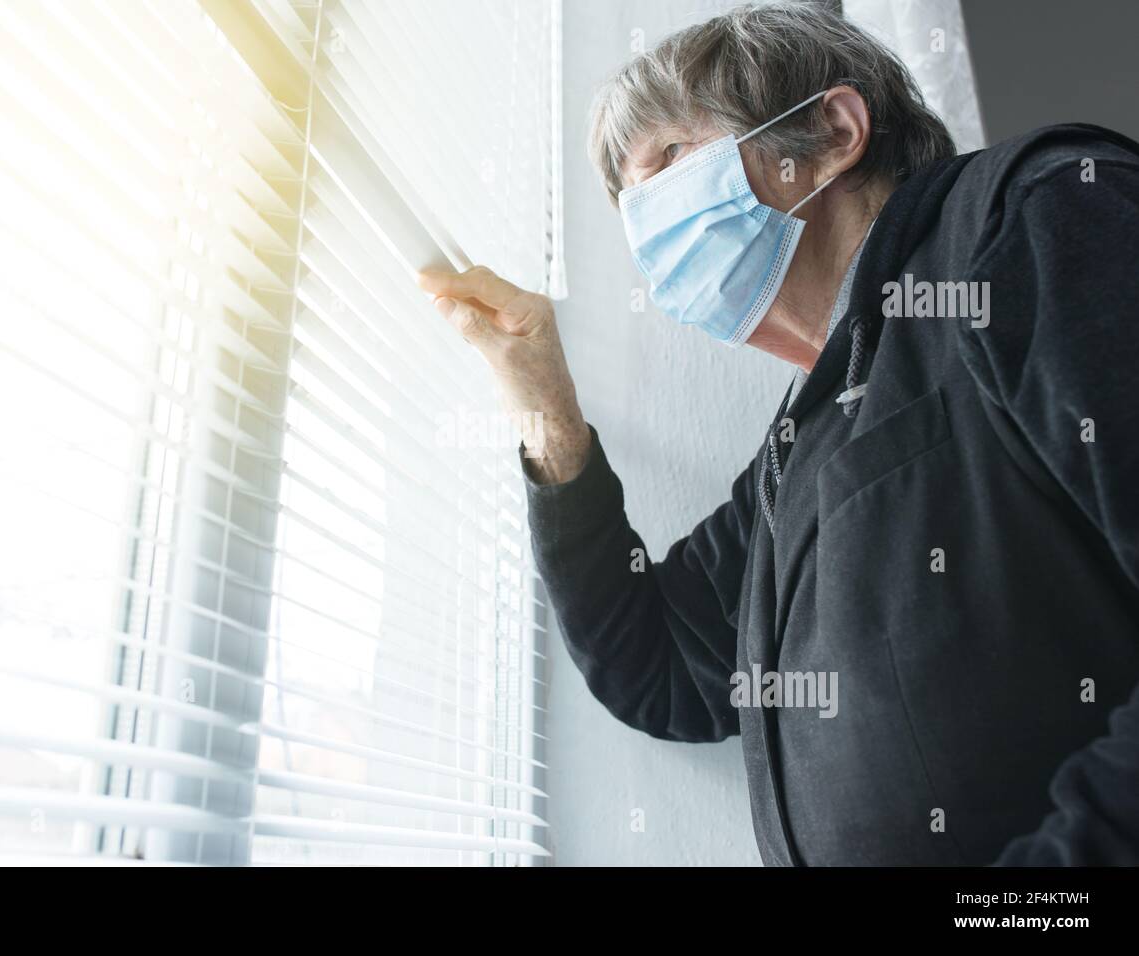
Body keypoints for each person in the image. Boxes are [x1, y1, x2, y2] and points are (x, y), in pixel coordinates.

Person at [418, 2, 1139, 865]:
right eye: (629, 199)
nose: (646, 219)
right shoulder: (796, 449)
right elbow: (661, 667)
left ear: (833, 131)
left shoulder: (1030, 217)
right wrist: (543, 402)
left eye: (671, 158)